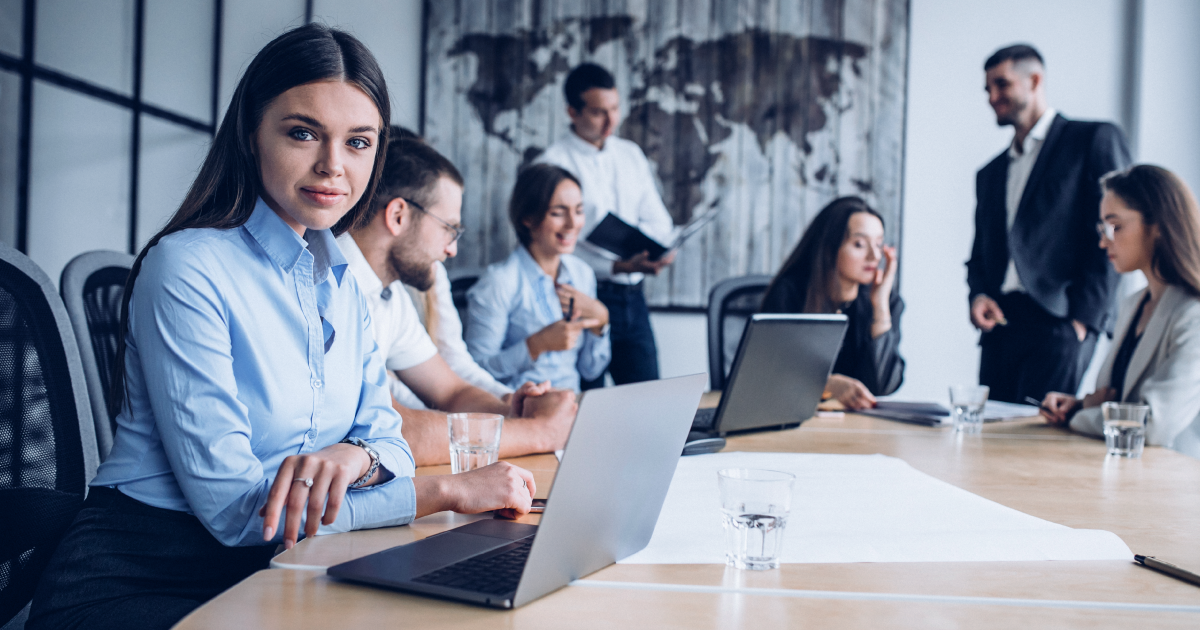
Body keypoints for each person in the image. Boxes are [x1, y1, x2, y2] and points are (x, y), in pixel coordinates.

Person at [28, 25, 533, 630]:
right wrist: (448, 492)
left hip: (281, 570)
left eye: (359, 142)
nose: (333, 166)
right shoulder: (188, 267)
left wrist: (357, 458)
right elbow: (241, 515)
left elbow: (390, 443)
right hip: (140, 581)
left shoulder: (343, 277)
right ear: (251, 134)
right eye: (302, 133)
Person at [339, 128, 576, 466]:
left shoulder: (389, 295)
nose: (451, 250)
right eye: (449, 229)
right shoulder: (331, 289)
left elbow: (451, 390)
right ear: (398, 216)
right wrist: (538, 432)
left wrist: (513, 411)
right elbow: (389, 432)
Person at [966, 44, 1131, 404]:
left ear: (1034, 80)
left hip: (1060, 323)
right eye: (988, 89)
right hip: (1000, 328)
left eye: (1002, 84)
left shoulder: (1092, 140)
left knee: (1039, 447)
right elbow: (979, 251)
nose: (992, 97)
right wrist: (979, 294)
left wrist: (1082, 324)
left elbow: (1118, 230)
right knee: (989, 447)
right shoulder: (990, 173)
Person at [1040, 165, 1200, 459]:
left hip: (1176, 486)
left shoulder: (1194, 314)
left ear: (1160, 225)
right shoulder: (1132, 305)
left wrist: (1080, 418)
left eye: (1115, 226)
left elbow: (1150, 425)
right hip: (1124, 475)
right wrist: (1080, 406)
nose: (1103, 241)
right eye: (1102, 228)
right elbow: (1119, 404)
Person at [534, 62, 674, 388]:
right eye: (599, 112)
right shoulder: (551, 164)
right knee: (588, 404)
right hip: (581, 297)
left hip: (634, 299)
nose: (611, 121)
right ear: (572, 111)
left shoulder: (631, 155)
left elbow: (659, 221)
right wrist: (617, 265)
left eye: (615, 108)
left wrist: (656, 253)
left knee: (648, 399)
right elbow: (552, 246)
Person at [466, 164, 611, 391]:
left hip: (572, 408)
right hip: (519, 412)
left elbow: (591, 369)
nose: (573, 224)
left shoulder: (583, 274)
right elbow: (473, 373)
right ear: (528, 218)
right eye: (558, 213)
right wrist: (535, 345)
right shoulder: (499, 282)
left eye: (579, 211)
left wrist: (601, 321)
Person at [761, 197, 904, 410]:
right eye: (859, 244)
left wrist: (881, 305)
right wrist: (826, 385)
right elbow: (768, 378)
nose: (874, 256)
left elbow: (883, 386)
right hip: (796, 423)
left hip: (858, 432)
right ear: (829, 247)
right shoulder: (790, 293)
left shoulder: (884, 302)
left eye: (879, 244)